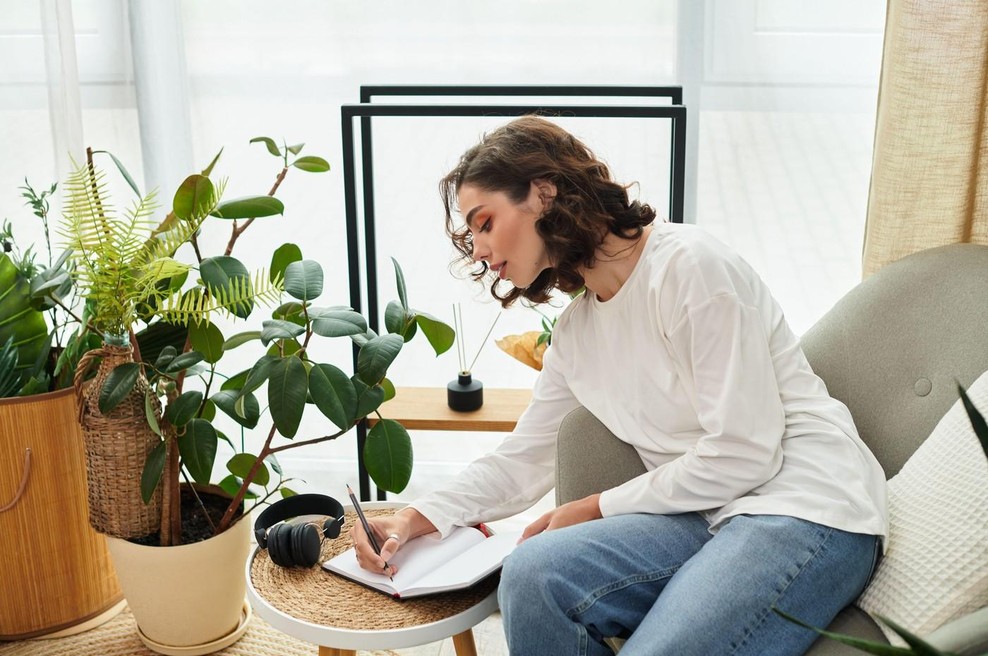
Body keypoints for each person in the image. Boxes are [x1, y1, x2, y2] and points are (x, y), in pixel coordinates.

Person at [350, 115, 887, 656]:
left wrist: (592, 507)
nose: (479, 252)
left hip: (802, 506)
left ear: (543, 192)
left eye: (485, 223)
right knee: (533, 575)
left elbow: (745, 452)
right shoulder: (576, 333)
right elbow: (522, 460)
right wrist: (416, 517)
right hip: (702, 515)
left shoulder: (690, 269)